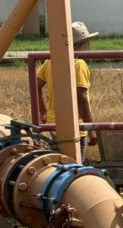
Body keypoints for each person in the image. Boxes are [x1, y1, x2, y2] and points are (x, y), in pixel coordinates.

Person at [37, 21, 98, 163]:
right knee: (74, 167)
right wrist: (91, 129)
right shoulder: (79, 64)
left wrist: (43, 111)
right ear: (78, 45)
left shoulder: (50, 61)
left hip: (54, 123)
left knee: (58, 164)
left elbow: (36, 84)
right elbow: (81, 99)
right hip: (74, 126)